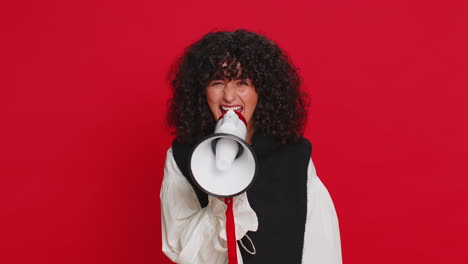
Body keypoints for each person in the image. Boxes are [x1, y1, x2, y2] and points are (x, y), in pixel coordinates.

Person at [160, 29, 342, 264]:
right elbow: (181, 250)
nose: (229, 96)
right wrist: (219, 203)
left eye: (242, 82)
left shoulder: (294, 156)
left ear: (262, 90)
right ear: (201, 91)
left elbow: (321, 247)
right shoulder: (182, 157)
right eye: (217, 82)